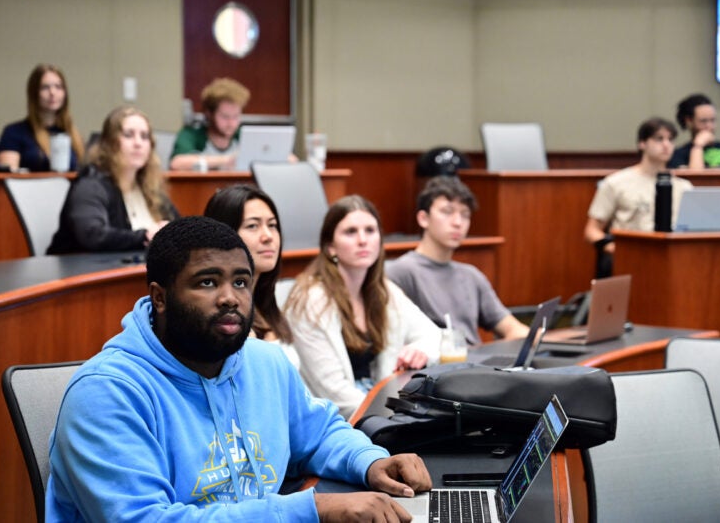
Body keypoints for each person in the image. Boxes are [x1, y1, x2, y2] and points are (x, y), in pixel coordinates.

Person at [46, 216, 432, 521]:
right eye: (207, 282)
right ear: (160, 298)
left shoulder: (264, 361)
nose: (230, 298)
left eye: (241, 282)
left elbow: (320, 433)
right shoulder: (106, 393)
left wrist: (370, 462)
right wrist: (310, 510)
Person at [284, 195, 441, 419]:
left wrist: (421, 351)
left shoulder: (384, 290)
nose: (362, 240)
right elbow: (335, 395)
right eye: (350, 232)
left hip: (380, 409)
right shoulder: (310, 301)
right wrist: (397, 413)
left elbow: (433, 335)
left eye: (370, 230)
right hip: (335, 423)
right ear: (330, 248)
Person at [387, 176, 528, 345]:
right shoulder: (401, 271)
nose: (457, 222)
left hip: (475, 364)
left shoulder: (471, 275)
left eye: (465, 214)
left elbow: (512, 328)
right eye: (447, 212)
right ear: (423, 218)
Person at [48, 106, 178, 254]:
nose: (138, 143)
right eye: (128, 135)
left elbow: (178, 225)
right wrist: (147, 236)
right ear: (109, 143)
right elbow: (92, 235)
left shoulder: (149, 186)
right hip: (81, 271)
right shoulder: (91, 184)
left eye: (144, 136)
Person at [203, 184, 298, 366]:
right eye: (253, 226)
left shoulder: (269, 303)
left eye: (272, 225)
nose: (268, 236)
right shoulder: (222, 317)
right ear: (223, 234)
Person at [585, 117, 693, 257]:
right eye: (659, 139)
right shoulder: (616, 182)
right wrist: (617, 250)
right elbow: (591, 230)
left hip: (674, 256)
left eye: (670, 140)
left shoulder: (685, 187)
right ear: (642, 143)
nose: (666, 145)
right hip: (632, 255)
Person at [0, 63, 85, 172]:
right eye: (45, 87)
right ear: (34, 93)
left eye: (58, 87)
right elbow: (7, 177)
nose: (52, 92)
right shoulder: (14, 133)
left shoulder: (71, 134)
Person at [169, 77, 250, 171]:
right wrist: (226, 160)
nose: (231, 123)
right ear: (209, 114)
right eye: (225, 116)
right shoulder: (191, 135)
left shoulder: (243, 136)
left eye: (236, 116)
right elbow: (176, 163)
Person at [667, 93, 720, 169]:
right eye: (703, 121)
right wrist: (698, 146)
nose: (710, 126)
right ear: (689, 121)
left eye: (712, 120)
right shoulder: (678, 155)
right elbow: (695, 178)